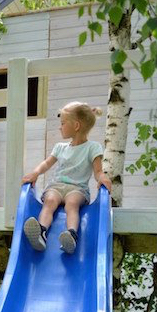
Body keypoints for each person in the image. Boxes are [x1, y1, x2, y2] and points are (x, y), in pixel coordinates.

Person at [21, 101, 112, 254]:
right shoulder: (60, 147)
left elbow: (97, 171)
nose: (59, 126)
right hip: (56, 186)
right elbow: (46, 164)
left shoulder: (92, 147)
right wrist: (35, 173)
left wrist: (103, 177)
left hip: (77, 189)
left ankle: (71, 235)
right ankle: (41, 232)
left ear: (76, 126)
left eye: (63, 123)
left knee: (72, 204)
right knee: (49, 201)